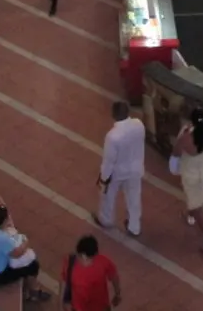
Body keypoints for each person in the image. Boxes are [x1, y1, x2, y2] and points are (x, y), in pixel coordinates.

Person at [172, 108, 203, 252]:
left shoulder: (186, 137)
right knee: (199, 195)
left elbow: (176, 152)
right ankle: (189, 216)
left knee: (196, 206)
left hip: (192, 173)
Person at [0, 204, 49, 301]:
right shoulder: (1, 238)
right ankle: (34, 292)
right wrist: (25, 241)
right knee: (33, 266)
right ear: (4, 221)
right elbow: (17, 253)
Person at [96, 100, 144, 236]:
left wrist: (103, 178)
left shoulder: (112, 136)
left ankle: (106, 220)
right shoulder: (139, 125)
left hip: (118, 172)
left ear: (114, 114)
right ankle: (134, 227)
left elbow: (109, 161)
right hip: (135, 169)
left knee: (108, 196)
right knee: (134, 198)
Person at [62, 236, 120, 311]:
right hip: (101, 307)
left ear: (83, 255)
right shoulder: (103, 261)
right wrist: (117, 294)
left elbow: (64, 283)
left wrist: (62, 304)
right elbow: (114, 277)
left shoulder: (70, 262)